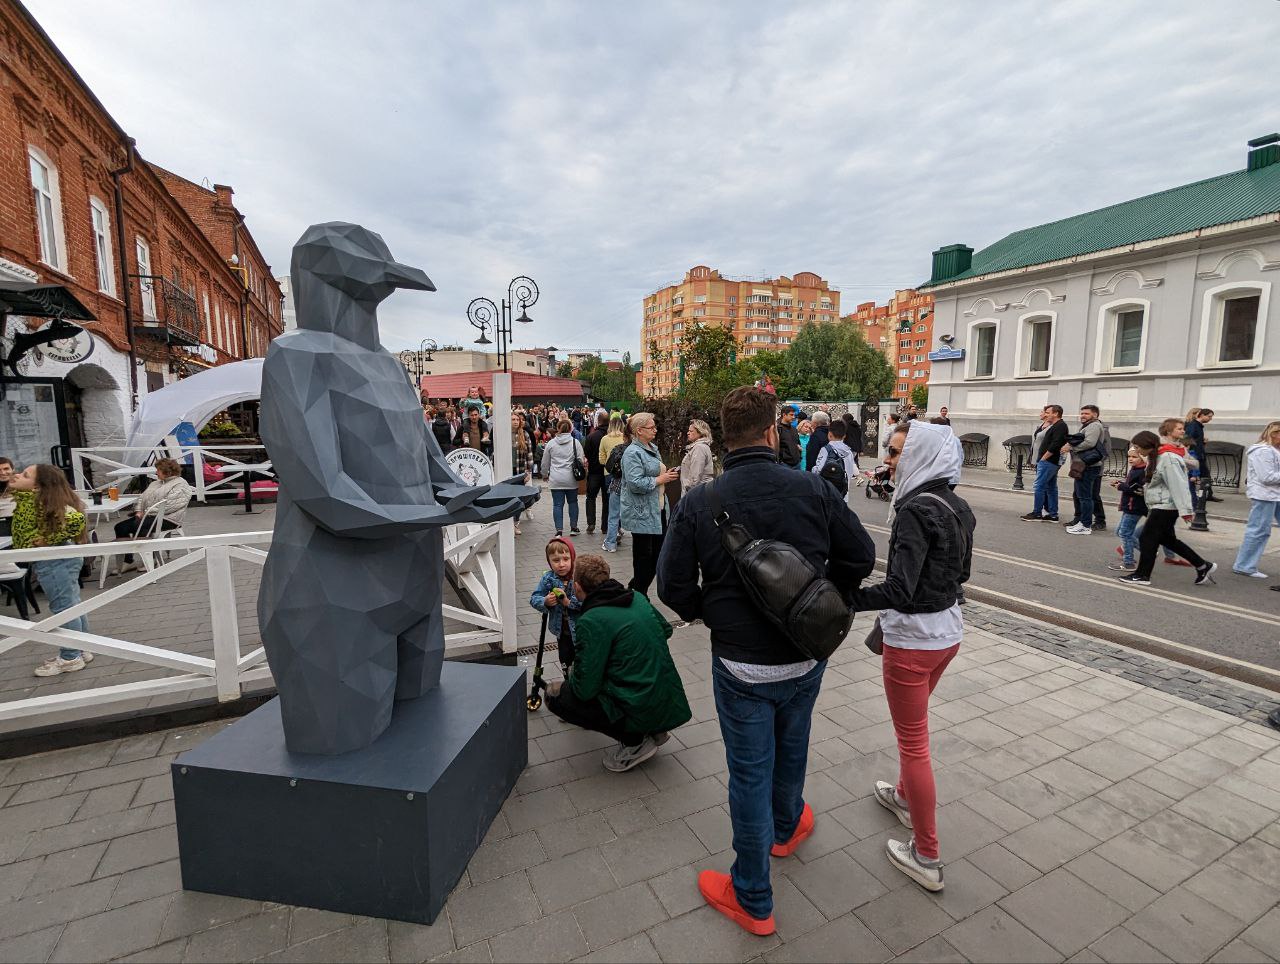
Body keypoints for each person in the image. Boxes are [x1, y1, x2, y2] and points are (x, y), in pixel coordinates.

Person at [657, 386, 876, 936]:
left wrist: (713, 612)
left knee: (749, 773)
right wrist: (826, 595)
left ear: (725, 438)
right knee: (794, 741)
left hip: (741, 664)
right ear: (772, 432)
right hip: (805, 654)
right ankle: (786, 827)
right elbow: (862, 556)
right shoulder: (812, 488)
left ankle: (753, 896)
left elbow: (672, 585)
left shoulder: (700, 503)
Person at [851, 420, 973, 892]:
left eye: (899, 452)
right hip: (946, 634)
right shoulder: (956, 504)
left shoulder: (915, 510)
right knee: (915, 734)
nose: (891, 461)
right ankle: (903, 797)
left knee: (914, 744)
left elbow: (900, 589)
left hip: (912, 642)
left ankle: (926, 854)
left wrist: (845, 598)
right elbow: (960, 572)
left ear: (922, 456)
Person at [544, 553, 690, 772]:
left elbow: (584, 689)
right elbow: (666, 629)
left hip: (638, 698)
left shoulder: (591, 620)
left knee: (556, 695)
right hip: (666, 695)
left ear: (577, 587)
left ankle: (635, 742)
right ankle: (655, 728)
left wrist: (577, 672)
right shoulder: (636, 597)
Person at [8, 464, 94, 677]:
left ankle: (69, 657)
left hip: (55, 560)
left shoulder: (41, 501)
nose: (17, 474)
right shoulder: (34, 499)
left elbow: (75, 519)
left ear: (37, 486)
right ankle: (82, 649)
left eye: (25, 474)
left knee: (63, 608)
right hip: (59, 558)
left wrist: (48, 539)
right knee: (72, 604)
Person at [1118, 431, 1216, 586]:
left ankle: (1142, 575)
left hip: (1166, 506)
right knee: (1168, 540)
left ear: (1147, 444)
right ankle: (1203, 565)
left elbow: (1179, 484)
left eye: (1137, 447)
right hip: (1161, 504)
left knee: (1146, 538)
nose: (1136, 450)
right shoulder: (1157, 456)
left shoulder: (1168, 458)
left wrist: (1186, 510)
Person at [621, 413, 677, 596]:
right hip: (642, 511)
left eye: (654, 426)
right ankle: (639, 593)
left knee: (659, 555)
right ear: (639, 431)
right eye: (651, 427)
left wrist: (667, 474)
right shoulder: (632, 453)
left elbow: (654, 472)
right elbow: (635, 483)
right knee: (644, 557)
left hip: (658, 508)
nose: (655, 430)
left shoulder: (651, 447)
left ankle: (636, 588)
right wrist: (660, 479)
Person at [111, 458, 193, 571]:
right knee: (120, 527)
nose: (156, 472)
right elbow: (142, 498)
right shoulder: (155, 483)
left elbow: (170, 505)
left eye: (158, 470)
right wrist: (139, 511)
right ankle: (128, 561)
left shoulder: (181, 484)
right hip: (149, 516)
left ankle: (152, 559)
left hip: (169, 518)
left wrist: (147, 512)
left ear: (167, 471)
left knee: (141, 526)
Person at [1233, 421, 1280, 579]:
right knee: (1259, 530)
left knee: (1260, 530)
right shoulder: (1263, 451)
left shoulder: (1274, 450)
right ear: (1274, 434)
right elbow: (1266, 477)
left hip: (1274, 494)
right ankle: (1244, 566)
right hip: (1265, 495)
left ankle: (1245, 564)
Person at [529, 536, 583, 669]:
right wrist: (545, 601)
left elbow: (588, 601)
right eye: (556, 560)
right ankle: (567, 681)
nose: (561, 564)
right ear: (549, 562)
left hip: (581, 631)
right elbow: (534, 598)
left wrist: (568, 602)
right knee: (565, 660)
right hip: (562, 632)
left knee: (582, 662)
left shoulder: (578, 577)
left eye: (566, 559)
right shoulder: (548, 578)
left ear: (572, 558)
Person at [1062, 405, 1109, 534]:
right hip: (1084, 465)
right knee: (1081, 495)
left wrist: (1071, 447)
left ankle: (1085, 525)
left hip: (1088, 466)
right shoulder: (1089, 426)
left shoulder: (1094, 426)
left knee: (1085, 497)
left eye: (1086, 413)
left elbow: (1089, 443)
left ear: (1095, 415)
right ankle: (1082, 521)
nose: (1082, 415)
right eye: (1082, 413)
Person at [1021, 404, 1068, 522]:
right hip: (1049, 461)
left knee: (1039, 486)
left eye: (1048, 412)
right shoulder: (1056, 425)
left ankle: (1037, 513)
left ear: (1056, 413)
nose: (1046, 415)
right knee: (1051, 487)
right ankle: (1053, 515)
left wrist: (1043, 458)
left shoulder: (1060, 426)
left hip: (1049, 461)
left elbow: (1056, 444)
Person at [541, 419, 587, 537]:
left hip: (556, 478)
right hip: (571, 478)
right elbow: (581, 460)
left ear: (558, 428)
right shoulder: (575, 442)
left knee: (557, 504)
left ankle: (559, 530)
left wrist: (545, 474)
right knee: (572, 502)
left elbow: (545, 462)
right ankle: (573, 527)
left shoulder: (551, 443)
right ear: (571, 429)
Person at [1108, 448, 1148, 572]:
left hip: (1134, 507)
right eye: (1129, 456)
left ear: (1142, 458)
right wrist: (1120, 483)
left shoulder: (1142, 472)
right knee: (1120, 531)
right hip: (1129, 506)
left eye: (1134, 457)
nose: (1130, 459)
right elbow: (1130, 486)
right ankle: (1148, 551)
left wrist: (1120, 486)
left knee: (1125, 533)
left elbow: (1135, 489)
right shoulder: (1135, 469)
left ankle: (1129, 562)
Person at [599, 415, 627, 553]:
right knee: (622, 505)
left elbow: (601, 459)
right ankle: (618, 529)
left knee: (612, 508)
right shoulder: (625, 439)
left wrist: (609, 465)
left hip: (609, 475)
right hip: (625, 475)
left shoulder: (604, 439)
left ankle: (611, 540)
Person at [811, 418, 855, 495]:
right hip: (844, 491)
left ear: (829, 434)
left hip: (829, 491)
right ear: (844, 436)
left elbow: (818, 470)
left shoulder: (826, 449)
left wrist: (813, 469)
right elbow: (850, 471)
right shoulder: (849, 451)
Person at [583, 412, 610, 536]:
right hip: (608, 473)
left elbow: (587, 453)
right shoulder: (611, 436)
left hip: (594, 472)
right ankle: (605, 526)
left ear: (598, 422)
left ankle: (591, 523)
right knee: (607, 500)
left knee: (591, 497)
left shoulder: (591, 436)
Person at [680, 420, 716, 496]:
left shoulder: (699, 448)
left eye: (691, 431)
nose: (688, 433)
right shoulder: (700, 447)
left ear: (700, 432)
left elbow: (695, 477)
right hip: (700, 492)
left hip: (697, 494)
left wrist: (687, 495)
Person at [511, 415, 533, 535]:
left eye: (517, 420)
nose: (515, 422)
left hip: (520, 470)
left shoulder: (524, 434)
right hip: (507, 471)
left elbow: (529, 454)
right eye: (513, 419)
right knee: (508, 497)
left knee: (519, 498)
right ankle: (507, 524)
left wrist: (528, 472)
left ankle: (515, 523)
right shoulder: (504, 434)